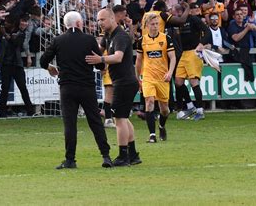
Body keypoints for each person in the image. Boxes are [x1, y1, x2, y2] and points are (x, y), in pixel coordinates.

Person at [40, 11, 112, 169]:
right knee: (95, 122)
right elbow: (100, 64)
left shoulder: (58, 40)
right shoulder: (89, 39)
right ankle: (106, 156)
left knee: (70, 124)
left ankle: (70, 159)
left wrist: (50, 67)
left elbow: (43, 60)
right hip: (86, 86)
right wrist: (98, 63)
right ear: (79, 23)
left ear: (66, 25)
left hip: (67, 87)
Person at [86, 9, 141, 167]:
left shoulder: (120, 36)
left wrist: (101, 59)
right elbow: (98, 48)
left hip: (125, 82)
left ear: (112, 18)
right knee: (123, 118)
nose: (100, 23)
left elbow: (118, 57)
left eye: (102, 19)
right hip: (122, 82)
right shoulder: (108, 35)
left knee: (120, 120)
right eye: (98, 20)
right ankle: (133, 154)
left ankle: (123, 156)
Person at [135, 13, 176, 142]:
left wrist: (170, 72)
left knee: (165, 109)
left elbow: (173, 57)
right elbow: (139, 60)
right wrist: (137, 77)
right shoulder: (142, 41)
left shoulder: (166, 38)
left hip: (163, 77)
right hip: (148, 76)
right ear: (147, 25)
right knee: (149, 102)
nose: (155, 26)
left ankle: (161, 126)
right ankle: (152, 135)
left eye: (157, 24)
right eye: (152, 24)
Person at [174, 4, 212, 121]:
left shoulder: (193, 19)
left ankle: (200, 110)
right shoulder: (178, 23)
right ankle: (190, 106)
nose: (178, 14)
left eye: (179, 12)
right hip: (184, 54)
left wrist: (202, 43)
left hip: (193, 52)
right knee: (178, 82)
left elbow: (207, 31)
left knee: (193, 81)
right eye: (177, 12)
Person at [0, 15, 34, 118]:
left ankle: (30, 110)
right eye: (23, 21)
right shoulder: (3, 32)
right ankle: (2, 112)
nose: (25, 24)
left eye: (26, 22)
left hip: (17, 64)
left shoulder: (21, 33)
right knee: (5, 88)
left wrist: (4, 33)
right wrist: (0, 32)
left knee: (22, 87)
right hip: (6, 64)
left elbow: (16, 42)